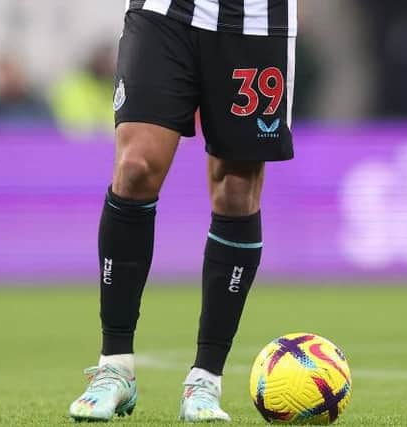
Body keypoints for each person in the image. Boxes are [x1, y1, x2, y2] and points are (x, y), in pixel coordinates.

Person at [69, 0, 297, 422]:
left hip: (255, 19)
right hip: (164, 11)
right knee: (135, 168)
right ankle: (114, 367)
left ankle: (206, 379)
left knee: (235, 187)